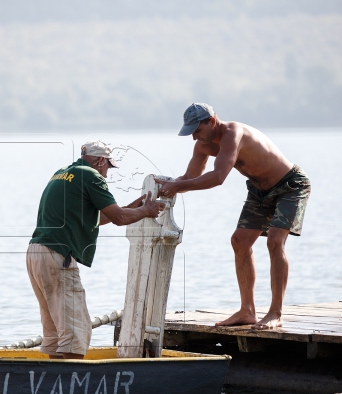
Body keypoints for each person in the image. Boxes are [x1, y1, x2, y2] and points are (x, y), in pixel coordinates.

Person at [155, 103, 311, 330]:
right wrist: (166, 188)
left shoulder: (233, 134)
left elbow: (218, 177)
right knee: (239, 241)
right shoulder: (202, 146)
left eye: (197, 131)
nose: (194, 138)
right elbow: (190, 176)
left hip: (290, 186)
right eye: (191, 133)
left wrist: (177, 186)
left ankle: (275, 313)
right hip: (259, 190)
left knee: (275, 241)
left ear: (212, 121)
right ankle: (247, 310)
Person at [27, 141, 165, 359]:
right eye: (108, 167)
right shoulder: (91, 176)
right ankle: (73, 387)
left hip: (36, 253)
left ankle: (57, 384)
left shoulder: (63, 174)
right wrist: (147, 210)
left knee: (55, 332)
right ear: (100, 160)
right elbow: (119, 219)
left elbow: (98, 218)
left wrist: (135, 208)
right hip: (57, 255)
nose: (107, 174)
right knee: (76, 331)